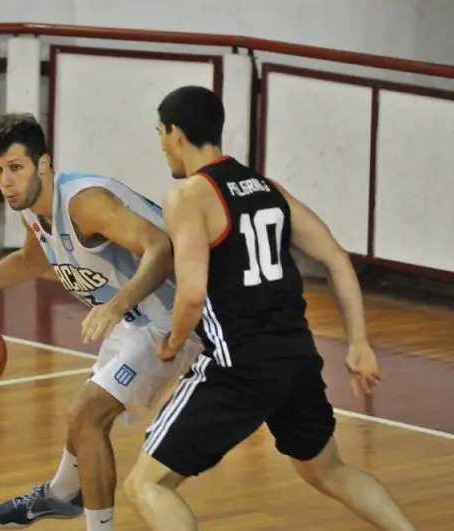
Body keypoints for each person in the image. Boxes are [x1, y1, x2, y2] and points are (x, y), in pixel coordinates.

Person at [122, 86, 418, 531]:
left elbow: (191, 294)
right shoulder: (267, 188)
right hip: (296, 358)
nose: (161, 143)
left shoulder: (187, 197)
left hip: (238, 366)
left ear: (176, 133)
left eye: (160, 133)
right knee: (327, 468)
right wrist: (358, 342)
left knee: (147, 486)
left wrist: (172, 343)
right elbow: (336, 257)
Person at [0, 112, 200, 530]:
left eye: (16, 168)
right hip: (135, 317)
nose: (6, 181)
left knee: (85, 416)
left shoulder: (82, 202)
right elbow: (27, 261)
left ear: (43, 163)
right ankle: (60, 495)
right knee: (85, 417)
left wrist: (114, 306)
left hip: (176, 315)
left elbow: (160, 247)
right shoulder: (32, 209)